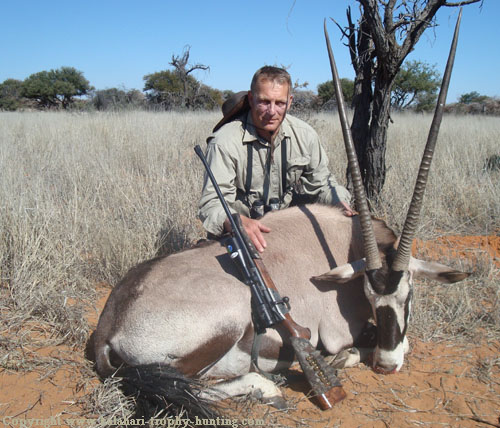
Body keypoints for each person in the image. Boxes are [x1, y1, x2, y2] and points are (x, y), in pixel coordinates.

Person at [198, 66, 353, 252]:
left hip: (283, 232)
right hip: (238, 233)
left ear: (290, 102)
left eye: (279, 103)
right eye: (264, 102)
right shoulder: (224, 142)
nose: (272, 111)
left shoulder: (306, 136)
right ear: (251, 99)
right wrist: (236, 222)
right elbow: (212, 203)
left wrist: (339, 203)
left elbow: (323, 184)